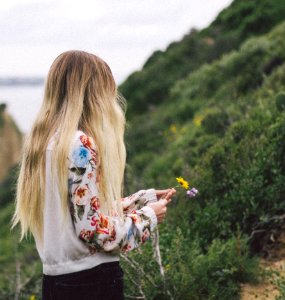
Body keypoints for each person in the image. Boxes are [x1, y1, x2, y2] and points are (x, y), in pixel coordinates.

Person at [12, 50, 176, 300]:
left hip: (56, 284)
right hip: (91, 281)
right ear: (92, 93)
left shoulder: (46, 142)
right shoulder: (81, 145)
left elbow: (78, 213)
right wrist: (147, 218)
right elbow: (94, 231)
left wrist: (142, 199)